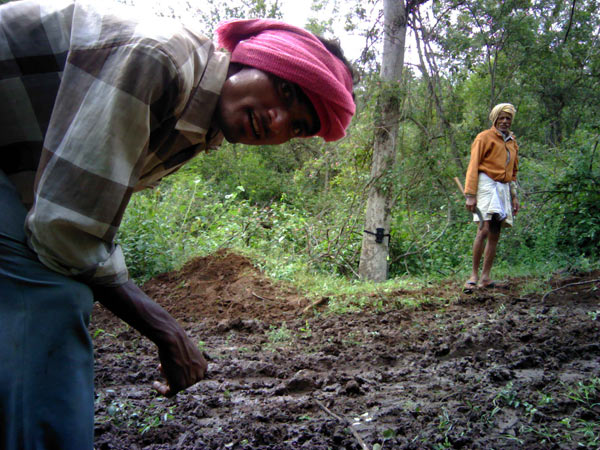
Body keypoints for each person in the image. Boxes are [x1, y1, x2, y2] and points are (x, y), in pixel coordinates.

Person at [0, 1, 356, 448]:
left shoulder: (197, 123)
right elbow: (65, 230)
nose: (278, 120)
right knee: (54, 292)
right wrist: (166, 330)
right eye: (285, 92)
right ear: (252, 61)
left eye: (299, 126)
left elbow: (74, 210)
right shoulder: (162, 61)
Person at [462, 103, 520, 293]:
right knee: (484, 229)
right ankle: (473, 276)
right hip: (486, 185)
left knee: (495, 231)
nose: (504, 121)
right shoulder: (484, 137)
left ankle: (486, 277)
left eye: (508, 118)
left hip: (503, 188)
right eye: (501, 118)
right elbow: (473, 165)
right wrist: (470, 194)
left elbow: (513, 172)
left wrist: (514, 197)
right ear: (494, 119)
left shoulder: (512, 141)